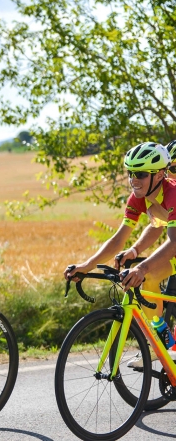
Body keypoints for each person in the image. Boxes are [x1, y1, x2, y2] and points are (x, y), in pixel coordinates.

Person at [64, 142, 176, 367]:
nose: (134, 179)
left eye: (141, 174)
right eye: (131, 173)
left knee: (147, 272)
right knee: (150, 278)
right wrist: (87, 265)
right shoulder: (139, 198)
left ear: (159, 174)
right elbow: (119, 239)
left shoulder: (173, 193)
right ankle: (160, 339)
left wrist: (141, 266)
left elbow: (174, 242)